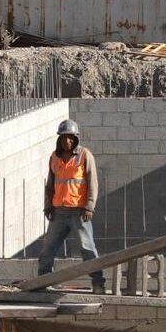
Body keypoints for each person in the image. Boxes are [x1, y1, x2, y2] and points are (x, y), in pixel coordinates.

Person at [38, 119, 106, 294]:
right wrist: (48, 206)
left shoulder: (84, 155)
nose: (66, 141)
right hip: (59, 212)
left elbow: (93, 183)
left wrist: (89, 206)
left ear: (75, 138)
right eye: (63, 138)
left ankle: (98, 283)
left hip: (78, 212)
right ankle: (43, 281)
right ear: (59, 140)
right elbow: (50, 185)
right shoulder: (54, 157)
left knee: (87, 249)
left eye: (70, 138)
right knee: (48, 249)